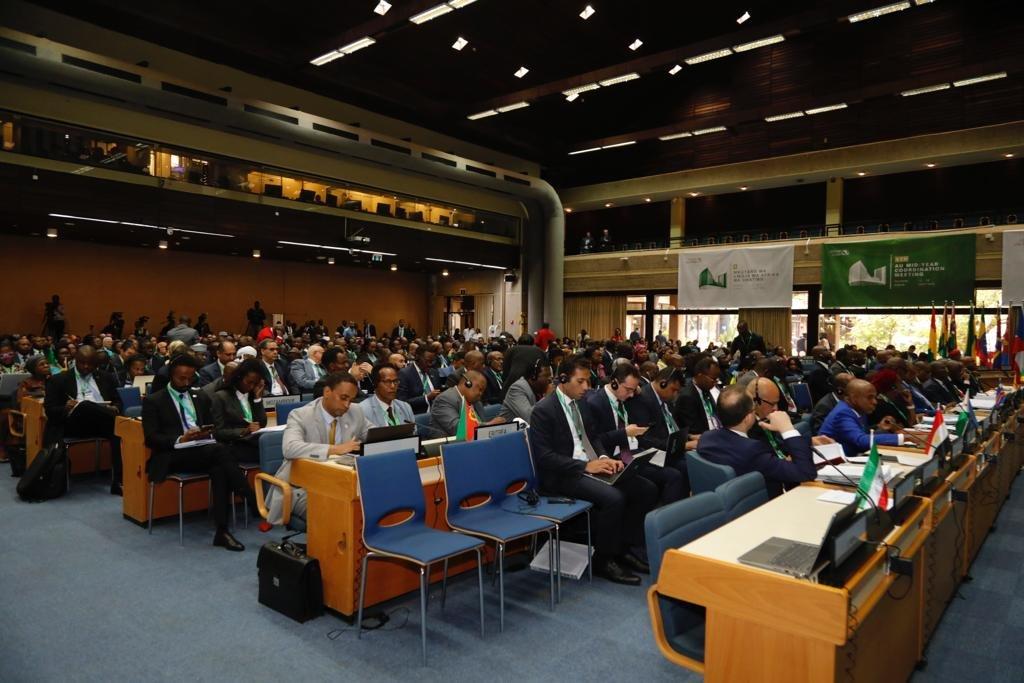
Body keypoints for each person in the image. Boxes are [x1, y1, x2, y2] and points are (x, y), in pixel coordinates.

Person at [527, 357, 657, 585]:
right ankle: (603, 560)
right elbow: (544, 457)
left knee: (645, 489)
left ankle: (622, 548)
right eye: (582, 382)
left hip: (589, 465)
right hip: (564, 474)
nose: (587, 387)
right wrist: (585, 465)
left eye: (588, 381)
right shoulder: (543, 410)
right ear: (564, 379)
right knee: (614, 498)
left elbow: (593, 437)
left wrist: (604, 458)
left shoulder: (582, 403)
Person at [141, 354, 254, 550]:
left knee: (220, 468)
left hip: (203, 450)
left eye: (190, 378)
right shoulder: (154, 400)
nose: (186, 382)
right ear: (171, 376)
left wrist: (203, 433)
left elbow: (212, 427)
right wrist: (180, 439)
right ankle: (249, 497)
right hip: (173, 454)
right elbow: (151, 438)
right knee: (221, 452)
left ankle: (222, 531)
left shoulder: (200, 396)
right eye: (181, 378)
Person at [268, 372, 368, 525]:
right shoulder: (300, 415)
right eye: (343, 398)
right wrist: (334, 449)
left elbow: (374, 435)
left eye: (351, 399)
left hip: (342, 482)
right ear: (327, 392)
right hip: (303, 488)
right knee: (339, 513)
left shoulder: (356, 411)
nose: (347, 405)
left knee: (367, 506)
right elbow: (290, 448)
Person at [584, 364, 683, 504]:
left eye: (633, 389)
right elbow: (595, 440)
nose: (631, 394)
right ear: (614, 383)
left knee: (673, 467)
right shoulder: (596, 403)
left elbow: (639, 393)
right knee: (659, 483)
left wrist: (635, 390)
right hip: (615, 458)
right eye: (628, 390)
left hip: (635, 452)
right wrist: (624, 433)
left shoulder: (625, 397)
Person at [697, 386, 816, 498]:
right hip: (770, 506)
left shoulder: (706, 438)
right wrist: (787, 429)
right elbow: (805, 472)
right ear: (748, 417)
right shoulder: (752, 450)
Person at [42, 345, 123, 494]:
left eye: (90, 363)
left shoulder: (106, 377)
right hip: (72, 425)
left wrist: (115, 408)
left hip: (101, 423)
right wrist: (65, 407)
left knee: (118, 433)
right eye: (82, 362)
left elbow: (118, 401)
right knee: (85, 405)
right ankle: (110, 416)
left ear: (96, 364)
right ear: (75, 361)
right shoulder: (58, 380)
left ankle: (118, 481)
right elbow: (50, 411)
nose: (86, 366)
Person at [819, 379, 908, 458]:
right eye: (870, 397)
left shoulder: (857, 410)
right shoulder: (843, 413)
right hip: (835, 465)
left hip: (852, 458)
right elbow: (861, 441)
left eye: (875, 397)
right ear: (854, 398)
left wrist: (878, 427)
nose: (875, 402)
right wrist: (904, 438)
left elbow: (858, 434)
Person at [210, 358, 268, 464]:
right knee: (271, 454)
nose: (251, 387)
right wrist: (244, 431)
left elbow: (262, 423)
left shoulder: (253, 395)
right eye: (249, 382)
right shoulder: (221, 396)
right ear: (239, 377)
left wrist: (257, 399)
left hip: (253, 442)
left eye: (255, 384)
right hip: (235, 444)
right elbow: (218, 432)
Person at [429, 370, 499, 437]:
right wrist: (490, 425)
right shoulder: (444, 399)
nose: (481, 394)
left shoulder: (476, 402)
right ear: (468, 383)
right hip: (449, 446)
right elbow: (458, 429)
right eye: (480, 389)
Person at [358, 362, 417, 430]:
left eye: (395, 381)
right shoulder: (363, 410)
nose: (393, 386)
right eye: (387, 382)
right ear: (375, 384)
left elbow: (414, 433)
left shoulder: (405, 407)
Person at [673, 356, 722, 436]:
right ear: (700, 375)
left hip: (715, 431)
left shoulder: (705, 389)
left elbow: (714, 414)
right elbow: (693, 430)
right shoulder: (687, 397)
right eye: (713, 379)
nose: (715, 383)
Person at [498, 359, 552, 423]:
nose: (550, 379)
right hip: (511, 431)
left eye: (550, 376)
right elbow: (529, 418)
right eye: (546, 375)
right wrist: (547, 398)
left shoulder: (539, 388)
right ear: (533, 376)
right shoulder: (517, 388)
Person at [397, 345, 442, 414]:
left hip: (436, 415)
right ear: (417, 357)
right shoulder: (404, 374)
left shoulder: (434, 372)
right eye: (427, 361)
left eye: (433, 361)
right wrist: (426, 398)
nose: (430, 364)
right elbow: (402, 402)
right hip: (416, 416)